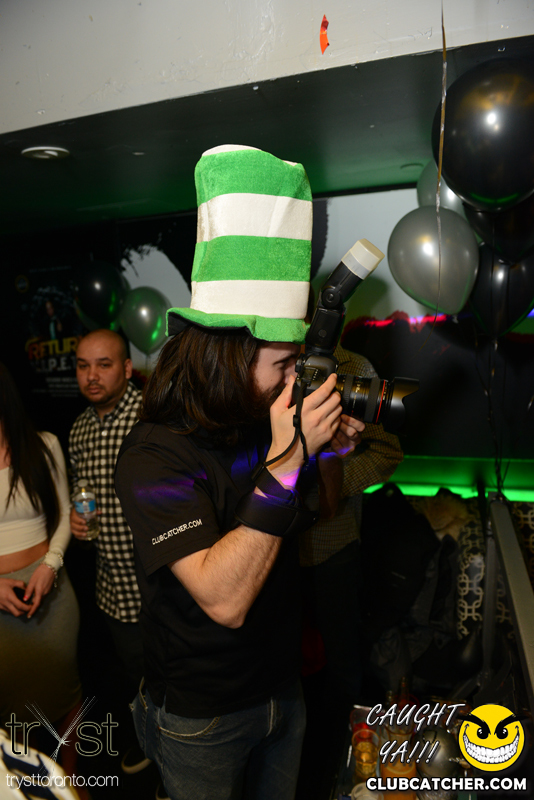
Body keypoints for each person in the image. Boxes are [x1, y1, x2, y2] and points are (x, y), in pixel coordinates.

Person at [114, 144, 364, 800]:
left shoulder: (260, 421)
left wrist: (327, 450)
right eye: (281, 365)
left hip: (283, 687)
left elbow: (323, 509)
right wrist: (289, 458)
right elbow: (224, 601)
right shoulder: (153, 454)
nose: (291, 381)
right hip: (203, 714)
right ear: (227, 355)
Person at [297, 344, 403, 796]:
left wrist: (331, 484)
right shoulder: (260, 358)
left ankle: (340, 770)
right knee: (278, 673)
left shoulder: (354, 367)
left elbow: (388, 452)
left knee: (342, 669)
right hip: (268, 553)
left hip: (332, 548)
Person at [0, 361, 83, 781]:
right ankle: (26, 783)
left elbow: (66, 513)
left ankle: (70, 779)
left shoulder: (43, 444)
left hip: (49, 588)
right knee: (11, 702)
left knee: (63, 689)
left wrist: (51, 566)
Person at [68, 328, 145, 770]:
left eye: (104, 364)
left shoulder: (151, 415)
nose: (91, 376)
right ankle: (151, 745)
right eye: (83, 366)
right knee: (134, 676)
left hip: (164, 582)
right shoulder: (79, 428)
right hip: (113, 587)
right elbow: (82, 493)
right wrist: (77, 518)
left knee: (176, 678)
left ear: (127, 369)